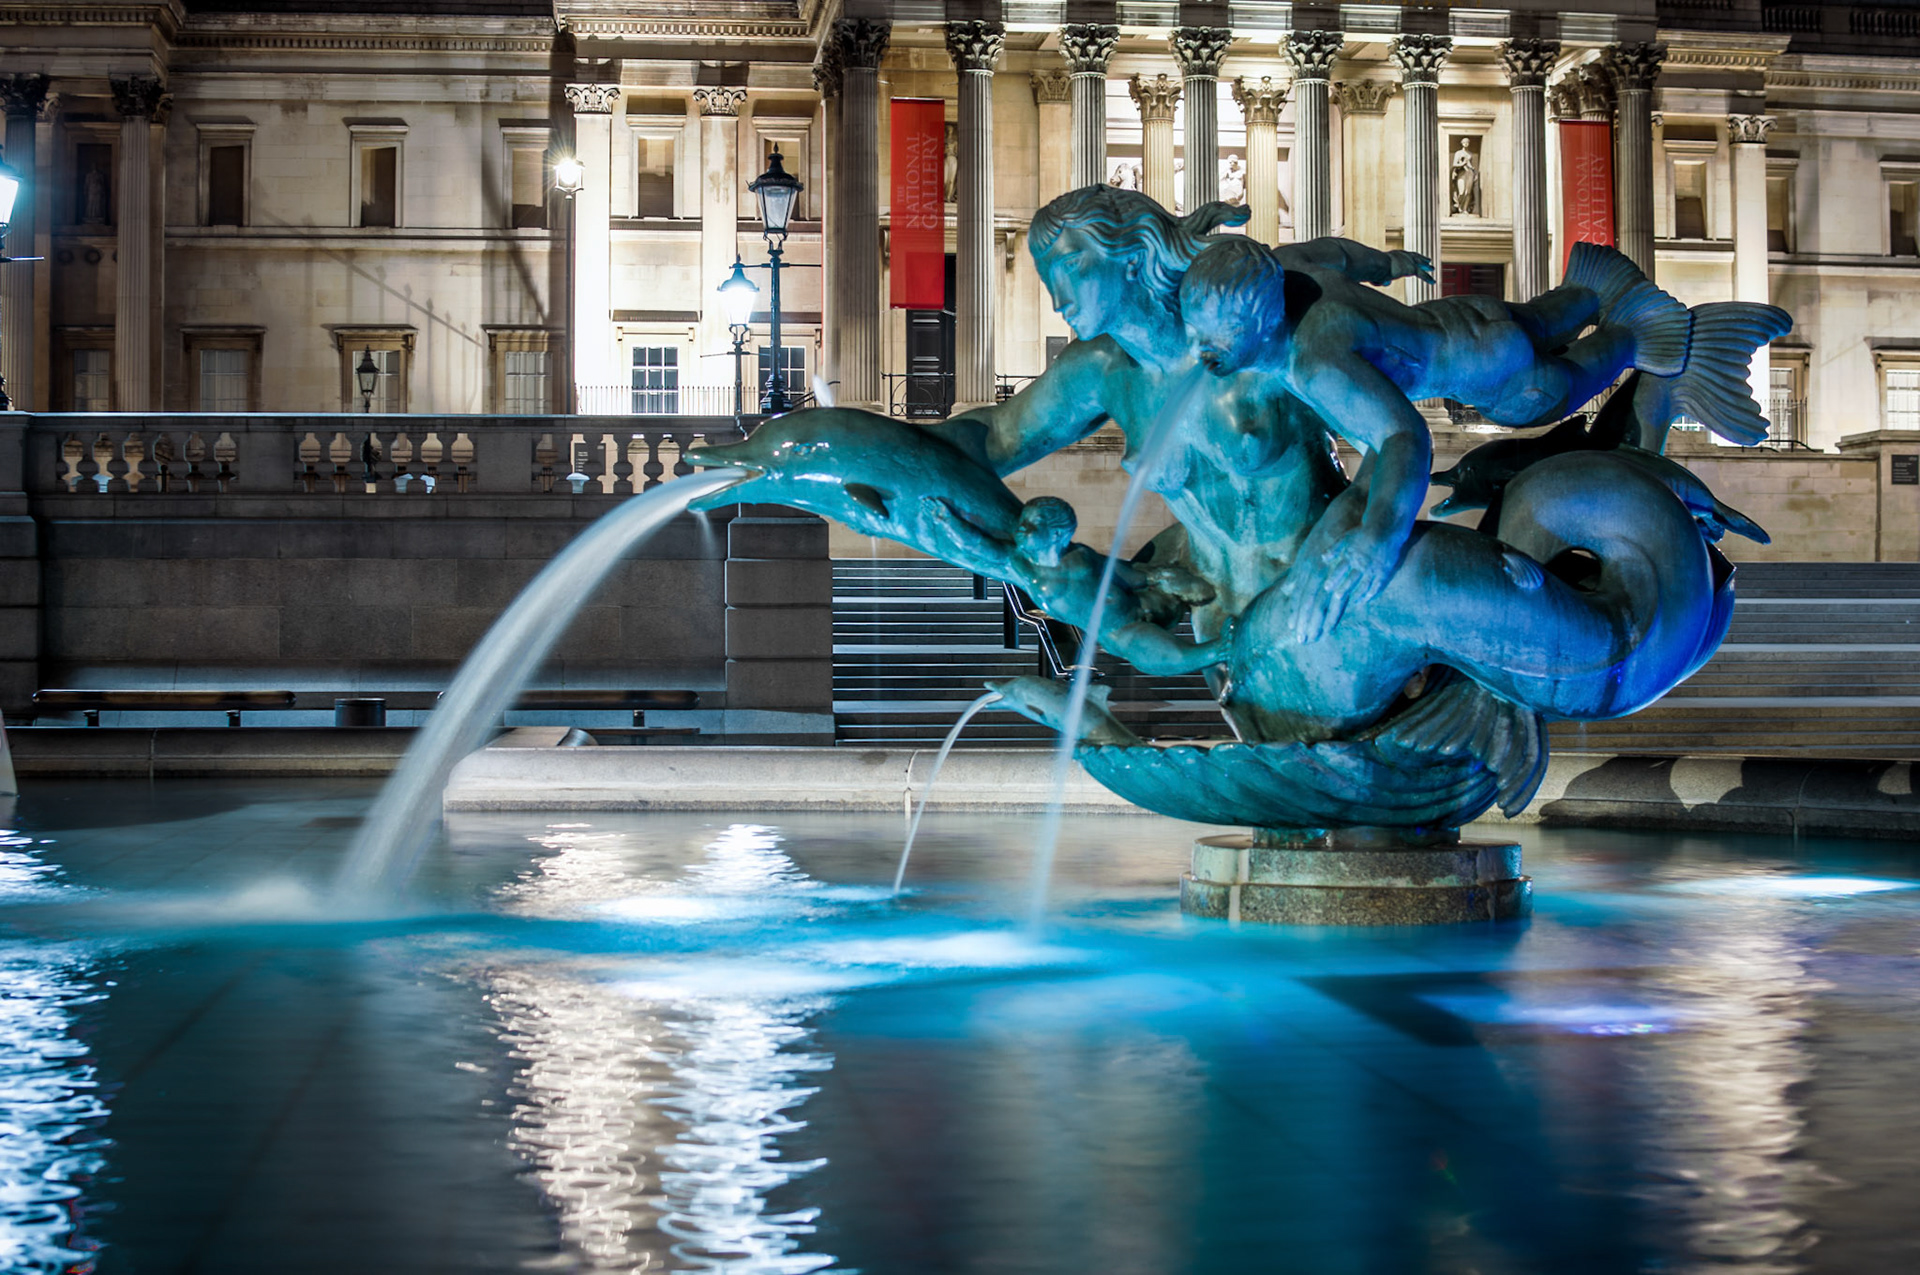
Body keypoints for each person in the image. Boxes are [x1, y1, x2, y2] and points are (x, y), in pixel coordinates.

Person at [1177, 234, 1789, 641]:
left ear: (1263, 321)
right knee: (1551, 314)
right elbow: (1336, 255)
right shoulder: (1288, 270)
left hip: (1496, 376)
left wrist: (1375, 539)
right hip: (1461, 316)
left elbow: (1402, 439)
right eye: (1196, 335)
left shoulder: (1316, 363)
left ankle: (1643, 337)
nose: (1203, 355)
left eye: (1218, 344)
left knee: (1566, 383)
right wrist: (1389, 264)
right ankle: (1592, 291)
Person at [921, 494, 1228, 676]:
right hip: (1120, 630)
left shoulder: (1082, 555)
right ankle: (1222, 650)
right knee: (1162, 654)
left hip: (1148, 603)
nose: (1020, 529)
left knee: (1188, 584)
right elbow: (980, 547)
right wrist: (948, 522)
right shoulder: (1024, 567)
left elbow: (1126, 573)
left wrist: (1156, 577)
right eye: (1022, 523)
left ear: (1056, 534)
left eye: (1031, 525)